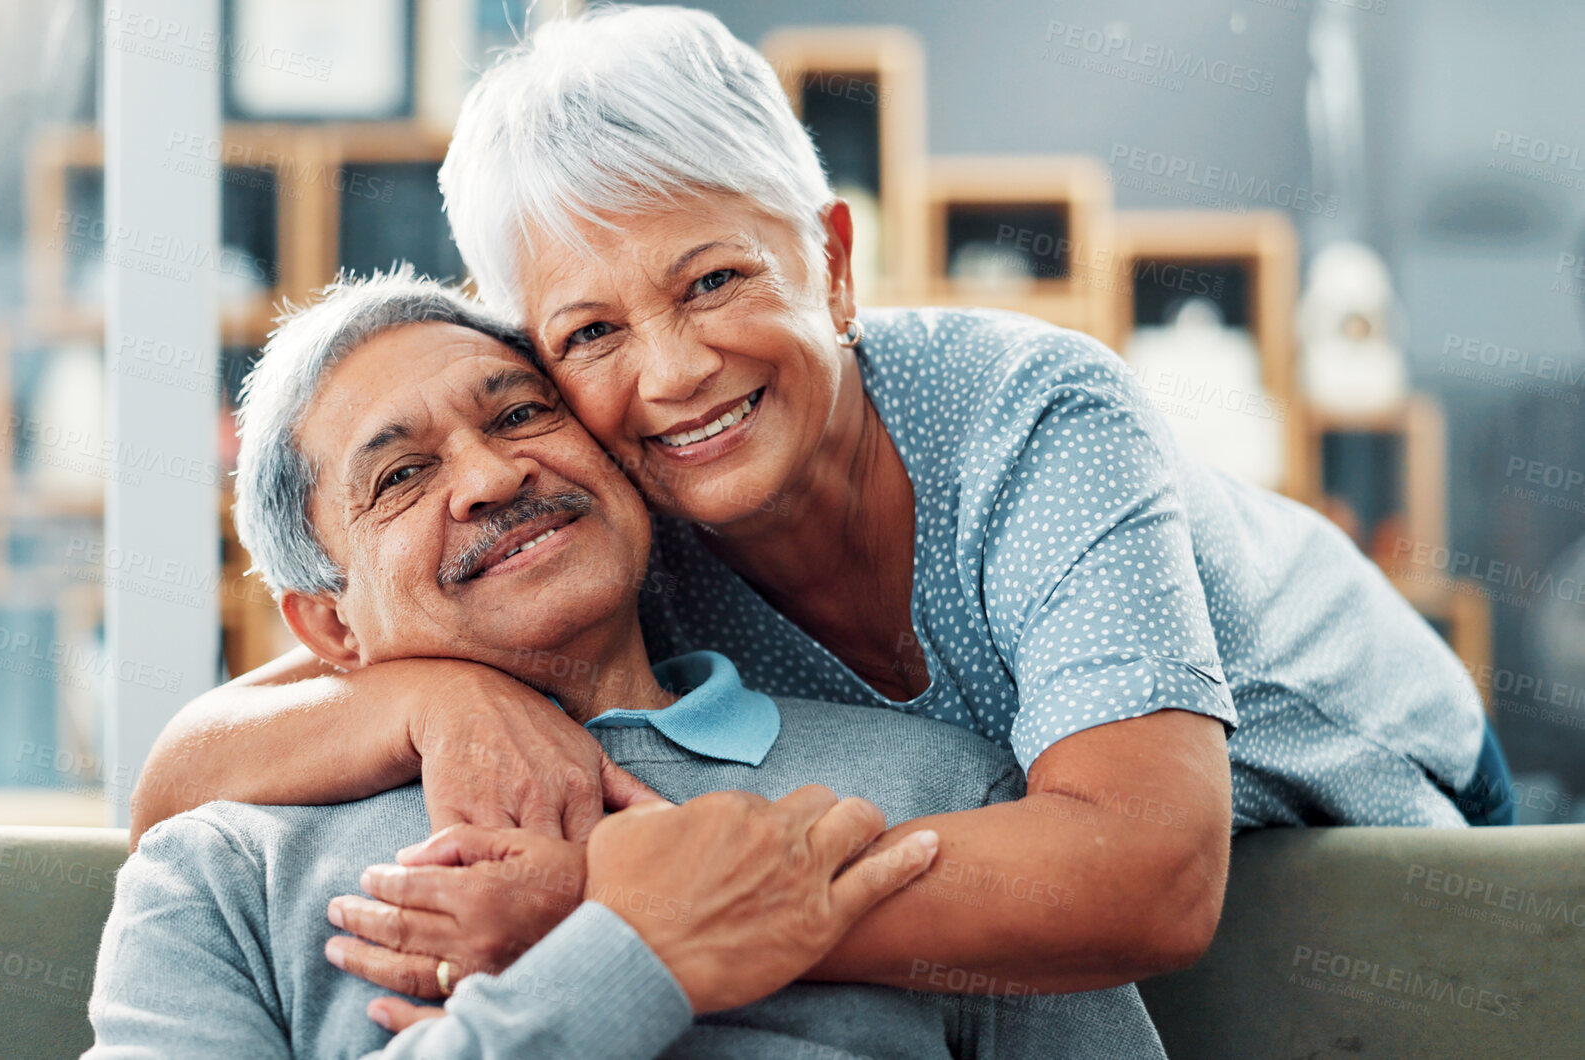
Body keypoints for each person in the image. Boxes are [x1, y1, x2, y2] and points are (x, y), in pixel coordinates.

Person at [132, 4, 1508, 997]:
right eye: (590, 335)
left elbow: (1145, 873)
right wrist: (435, 698)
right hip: (1046, 895)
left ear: (833, 263)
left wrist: (614, 905)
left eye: (714, 281)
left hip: (1377, 803)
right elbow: (185, 772)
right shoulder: (618, 510)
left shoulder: (1031, 411)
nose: (673, 375)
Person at [83, 273, 1170, 1059]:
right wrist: (628, 953)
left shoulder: (945, 789)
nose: (493, 473)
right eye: (403, 474)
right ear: (326, 627)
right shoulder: (223, 869)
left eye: (519, 413)